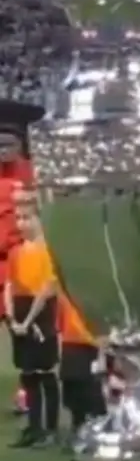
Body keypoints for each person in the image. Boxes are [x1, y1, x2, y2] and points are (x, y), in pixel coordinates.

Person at [4, 201, 60, 448]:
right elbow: (9, 285)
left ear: (39, 219)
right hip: (20, 314)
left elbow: (48, 288)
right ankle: (34, 427)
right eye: (18, 218)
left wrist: (27, 321)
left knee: (45, 372)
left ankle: (51, 428)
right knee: (28, 374)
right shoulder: (17, 252)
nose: (22, 223)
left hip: (40, 316)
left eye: (27, 217)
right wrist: (12, 317)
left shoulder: (48, 251)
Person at [0, 100, 39, 417]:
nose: (3, 149)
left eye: (9, 143)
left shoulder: (31, 175)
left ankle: (27, 392)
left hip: (21, 263)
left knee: (24, 331)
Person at [57, 290, 106, 443]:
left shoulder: (95, 293)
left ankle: (96, 430)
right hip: (70, 342)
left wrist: (102, 353)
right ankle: (77, 426)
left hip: (91, 344)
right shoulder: (66, 290)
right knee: (71, 386)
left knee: (90, 389)